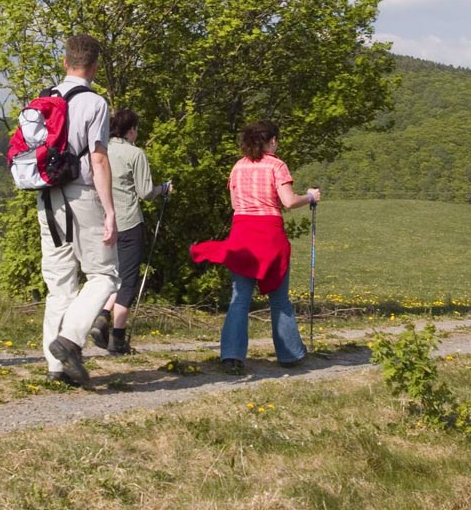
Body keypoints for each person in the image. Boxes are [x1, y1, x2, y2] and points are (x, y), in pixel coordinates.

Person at [190, 120, 320, 373]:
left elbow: (234, 203)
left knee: (240, 298)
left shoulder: (238, 167)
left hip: (242, 232)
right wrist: (311, 196)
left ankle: (231, 355)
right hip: (269, 233)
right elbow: (289, 201)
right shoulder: (277, 165)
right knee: (279, 298)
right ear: (271, 140)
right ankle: (290, 354)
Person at [39, 34, 119, 387]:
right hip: (82, 194)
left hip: (47, 197)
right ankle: (70, 341)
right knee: (105, 274)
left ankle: (55, 367)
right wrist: (110, 209)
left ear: (64, 62)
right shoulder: (95, 103)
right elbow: (98, 158)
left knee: (60, 283)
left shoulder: (43, 101)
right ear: (95, 66)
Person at [89, 109, 171, 355]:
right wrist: (163, 189)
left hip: (101, 223)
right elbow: (145, 192)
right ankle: (118, 338)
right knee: (128, 280)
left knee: (109, 275)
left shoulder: (99, 151)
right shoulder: (135, 154)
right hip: (128, 222)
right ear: (130, 129)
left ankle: (103, 316)